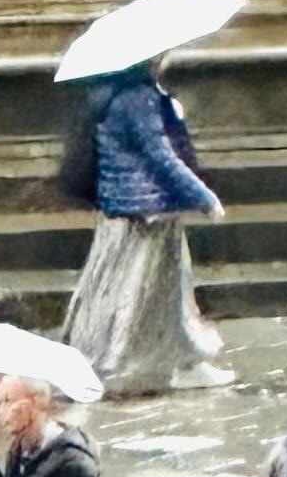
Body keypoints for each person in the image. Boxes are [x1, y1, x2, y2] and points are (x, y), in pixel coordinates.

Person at [58, 57, 229, 394]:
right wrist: (203, 196)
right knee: (150, 293)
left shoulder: (111, 93)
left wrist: (168, 110)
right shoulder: (138, 99)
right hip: (147, 211)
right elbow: (160, 157)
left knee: (130, 290)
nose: (163, 58)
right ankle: (152, 363)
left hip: (123, 208)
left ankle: (171, 360)